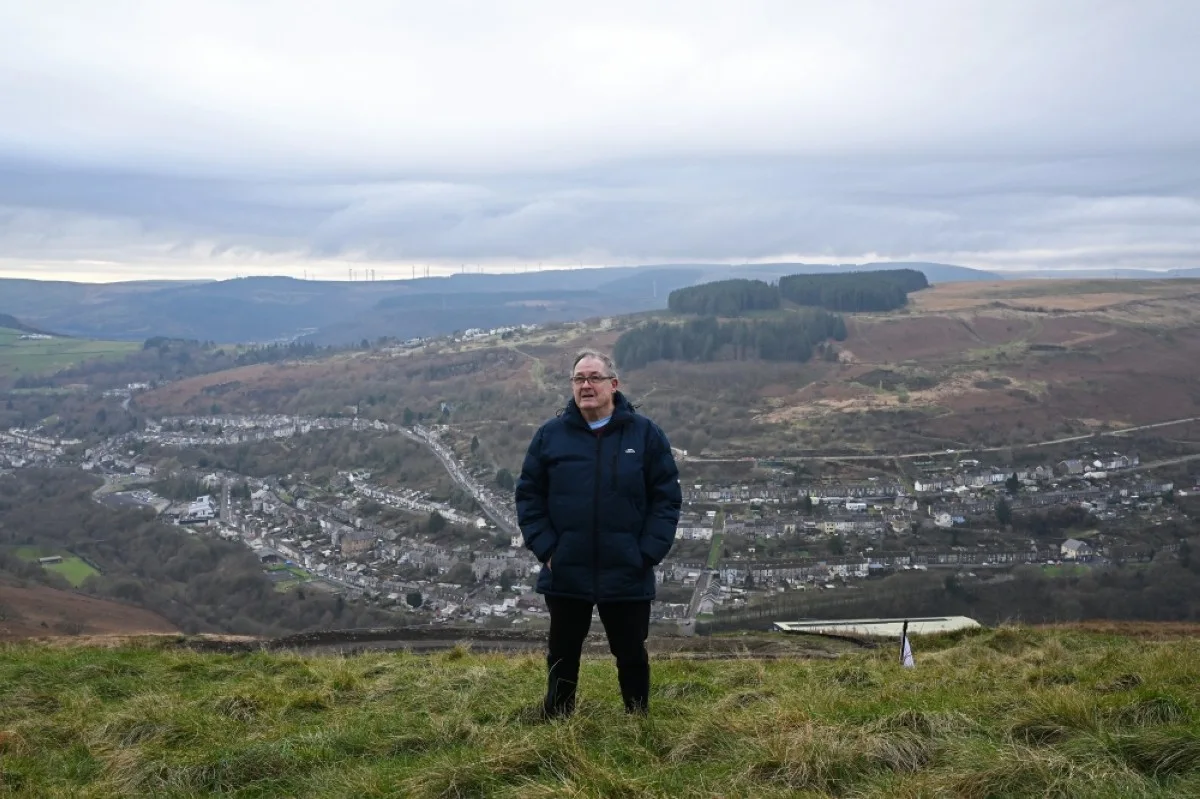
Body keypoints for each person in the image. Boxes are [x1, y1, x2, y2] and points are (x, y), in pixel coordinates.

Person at [515, 349, 681, 718]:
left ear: (613, 384)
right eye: (578, 379)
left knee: (631, 651)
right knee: (562, 651)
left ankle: (638, 718)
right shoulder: (550, 436)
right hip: (567, 567)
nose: (585, 385)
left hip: (626, 567)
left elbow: (666, 499)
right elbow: (528, 497)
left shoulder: (645, 434)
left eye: (593, 378)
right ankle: (557, 717)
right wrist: (548, 551)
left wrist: (645, 554)